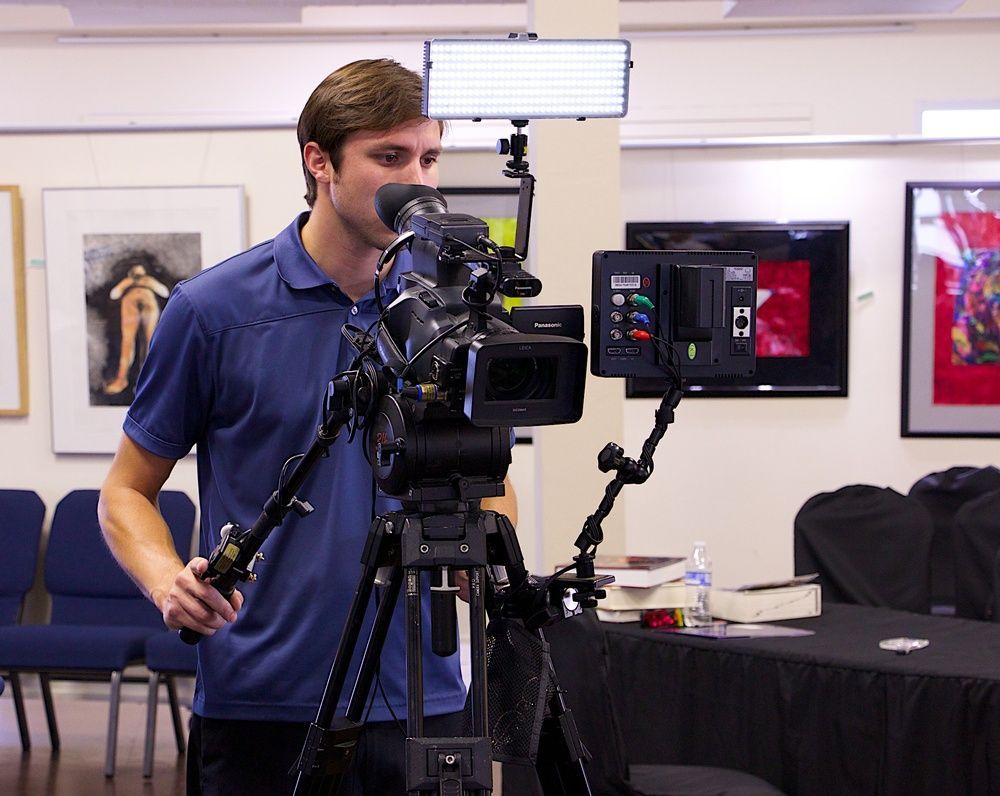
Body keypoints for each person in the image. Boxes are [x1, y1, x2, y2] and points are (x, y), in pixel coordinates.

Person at [98, 58, 517, 795]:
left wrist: (479, 569)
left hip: (428, 692)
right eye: (389, 158)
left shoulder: (451, 315)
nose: (416, 179)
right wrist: (169, 582)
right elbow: (126, 492)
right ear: (319, 161)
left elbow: (487, 479)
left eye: (428, 156)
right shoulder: (212, 310)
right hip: (261, 698)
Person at [103, 263, 171, 395]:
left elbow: (165, 293)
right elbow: (114, 294)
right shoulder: (127, 283)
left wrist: (150, 282)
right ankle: (121, 379)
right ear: (130, 273)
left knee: (151, 341)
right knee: (127, 342)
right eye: (136, 273)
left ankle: (152, 382)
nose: (139, 276)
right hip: (130, 304)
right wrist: (127, 283)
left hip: (149, 304)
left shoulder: (149, 282)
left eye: (141, 273)